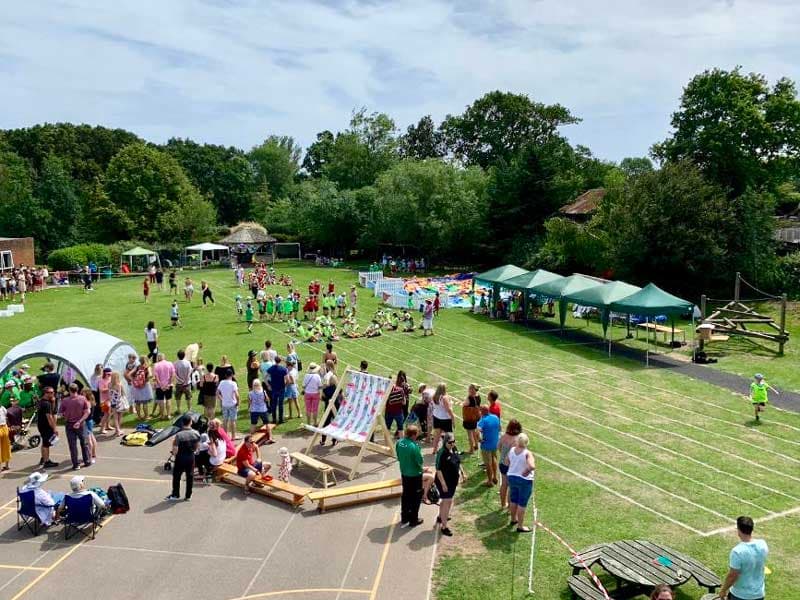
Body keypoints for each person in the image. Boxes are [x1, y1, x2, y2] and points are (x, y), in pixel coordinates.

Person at [719, 516, 768, 600]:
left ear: (738, 530)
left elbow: (732, 575)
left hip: (740, 595)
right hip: (759, 594)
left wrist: (723, 590)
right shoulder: (763, 544)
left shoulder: (737, 552)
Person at [435, 432, 465, 537]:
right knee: (447, 501)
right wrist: (443, 484)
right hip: (444, 481)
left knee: (446, 500)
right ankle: (444, 526)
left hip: (453, 481)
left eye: (453, 441)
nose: (452, 444)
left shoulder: (454, 449)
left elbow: (458, 462)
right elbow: (438, 470)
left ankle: (440, 517)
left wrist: (462, 472)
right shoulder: (442, 453)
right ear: (445, 442)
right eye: (450, 442)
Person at [396, 423, 426, 528]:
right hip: (415, 475)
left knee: (405, 496)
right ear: (413, 435)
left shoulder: (399, 443)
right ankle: (414, 519)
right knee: (416, 498)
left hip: (404, 473)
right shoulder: (414, 446)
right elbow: (420, 461)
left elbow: (398, 457)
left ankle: (404, 517)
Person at [505, 433, 535, 533]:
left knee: (513, 500)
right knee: (522, 503)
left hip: (512, 477)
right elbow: (532, 466)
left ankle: (513, 519)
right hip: (524, 481)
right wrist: (525, 472)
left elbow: (506, 462)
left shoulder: (512, 450)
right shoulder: (527, 453)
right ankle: (520, 526)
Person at [166, 415, 200, 501]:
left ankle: (175, 494)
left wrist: (174, 453)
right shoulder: (196, 433)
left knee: (177, 476)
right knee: (190, 476)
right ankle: (188, 496)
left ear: (182, 423)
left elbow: (175, 450)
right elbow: (197, 447)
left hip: (180, 457)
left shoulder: (179, 435)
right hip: (190, 457)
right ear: (191, 422)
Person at [59, 383, 92, 470]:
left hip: (69, 424)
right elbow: (87, 412)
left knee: (72, 445)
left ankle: (76, 464)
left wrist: (66, 415)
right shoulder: (83, 399)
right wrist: (80, 421)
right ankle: (87, 461)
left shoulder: (65, 401)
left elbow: (61, 413)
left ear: (69, 390)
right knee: (84, 443)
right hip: (81, 424)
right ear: (77, 390)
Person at [498, 419, 522, 509]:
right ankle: (509, 507)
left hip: (502, 464)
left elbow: (499, 447)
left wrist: (502, 455)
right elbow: (513, 455)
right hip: (511, 466)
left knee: (504, 484)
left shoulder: (504, 436)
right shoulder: (516, 440)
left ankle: (503, 504)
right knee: (511, 487)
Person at [477, 405, 501, 487]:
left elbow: (478, 431)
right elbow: (500, 428)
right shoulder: (495, 417)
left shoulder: (482, 421)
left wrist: (480, 440)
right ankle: (495, 477)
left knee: (488, 464)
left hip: (486, 445)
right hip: (495, 443)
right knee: (494, 460)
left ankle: (490, 481)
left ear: (482, 412)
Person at [36, 386, 59, 467]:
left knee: (44, 443)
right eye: (51, 393)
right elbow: (49, 417)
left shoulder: (42, 401)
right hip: (45, 426)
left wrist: (53, 402)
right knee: (46, 444)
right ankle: (47, 461)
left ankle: (43, 458)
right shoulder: (46, 404)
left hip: (41, 425)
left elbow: (51, 411)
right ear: (46, 393)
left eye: (53, 392)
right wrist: (54, 428)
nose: (53, 394)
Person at [430, 383, 454, 455]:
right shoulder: (444, 397)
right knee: (449, 436)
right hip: (445, 418)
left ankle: (434, 450)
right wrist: (453, 418)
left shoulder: (434, 396)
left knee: (436, 435)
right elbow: (448, 409)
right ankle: (450, 451)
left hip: (436, 416)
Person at [385, 371, 409, 439]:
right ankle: (402, 444)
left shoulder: (387, 390)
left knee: (387, 428)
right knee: (400, 429)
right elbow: (404, 402)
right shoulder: (400, 389)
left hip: (389, 412)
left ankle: (387, 444)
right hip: (398, 412)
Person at [217, 370, 239, 441]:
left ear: (226, 375)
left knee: (225, 420)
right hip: (232, 404)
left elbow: (217, 393)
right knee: (233, 421)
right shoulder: (233, 383)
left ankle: (225, 436)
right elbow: (237, 395)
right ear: (232, 375)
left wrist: (222, 399)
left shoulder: (222, 382)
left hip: (224, 404)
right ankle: (233, 436)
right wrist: (238, 402)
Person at [152, 353, 175, 419]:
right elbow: (173, 375)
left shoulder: (156, 365)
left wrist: (161, 385)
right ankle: (168, 415)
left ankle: (162, 415)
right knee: (168, 400)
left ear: (158, 358)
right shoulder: (170, 363)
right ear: (164, 357)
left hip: (159, 387)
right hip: (168, 385)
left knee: (160, 401)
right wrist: (169, 383)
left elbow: (156, 377)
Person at [267, 357, 288, 425]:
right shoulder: (284, 369)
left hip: (274, 388)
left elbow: (266, 377)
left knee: (274, 404)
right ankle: (280, 419)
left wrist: (268, 385)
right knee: (280, 404)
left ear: (274, 361)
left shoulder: (271, 368)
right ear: (280, 361)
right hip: (281, 388)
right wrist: (285, 385)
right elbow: (286, 379)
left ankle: (274, 419)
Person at [462, 384, 482, 453]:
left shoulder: (470, 397)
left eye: (469, 388)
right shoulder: (478, 396)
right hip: (475, 417)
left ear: (471, 389)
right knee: (474, 431)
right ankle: (476, 445)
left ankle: (471, 449)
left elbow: (464, 404)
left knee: (469, 434)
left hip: (469, 418)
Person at [173, 350, 192, 415]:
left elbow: (174, 373)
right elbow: (190, 370)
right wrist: (187, 378)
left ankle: (178, 410)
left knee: (178, 397)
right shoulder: (187, 362)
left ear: (178, 356)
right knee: (188, 397)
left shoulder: (175, 363)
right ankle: (189, 410)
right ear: (184, 355)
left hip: (179, 384)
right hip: (187, 383)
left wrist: (180, 380)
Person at [107, 372, 126, 436]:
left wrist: (111, 400)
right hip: (119, 402)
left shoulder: (109, 384)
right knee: (119, 416)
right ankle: (118, 430)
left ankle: (117, 430)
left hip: (113, 402)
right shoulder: (119, 384)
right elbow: (119, 394)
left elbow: (109, 394)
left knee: (115, 417)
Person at [0, 401, 10, 471]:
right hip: (4, 427)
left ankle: (1, 467)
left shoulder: (3, 408)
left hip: (3, 427)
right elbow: (6, 417)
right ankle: (7, 465)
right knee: (6, 447)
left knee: (3, 447)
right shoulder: (2, 408)